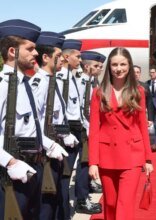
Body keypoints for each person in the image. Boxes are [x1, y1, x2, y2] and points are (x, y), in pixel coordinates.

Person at [0, 19, 68, 219]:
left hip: (33, 169)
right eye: (30, 49)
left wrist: (49, 145)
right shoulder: (3, 87)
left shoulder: (27, 85)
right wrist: (10, 162)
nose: (36, 53)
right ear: (12, 51)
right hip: (12, 173)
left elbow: (33, 126)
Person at [88, 47, 154, 220]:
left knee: (124, 204)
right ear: (109, 67)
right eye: (115, 64)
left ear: (129, 66)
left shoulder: (138, 91)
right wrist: (92, 162)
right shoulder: (98, 93)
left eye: (123, 64)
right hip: (106, 156)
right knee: (110, 203)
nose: (119, 68)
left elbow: (142, 126)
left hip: (132, 155)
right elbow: (94, 129)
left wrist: (148, 158)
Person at [32, 31, 80, 220]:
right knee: (46, 204)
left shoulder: (52, 82)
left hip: (57, 148)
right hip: (46, 151)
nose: (63, 60)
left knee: (57, 199)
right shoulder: (40, 84)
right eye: (58, 56)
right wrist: (49, 145)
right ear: (46, 57)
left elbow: (58, 117)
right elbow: (36, 121)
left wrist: (66, 135)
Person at [56, 39, 101, 217]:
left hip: (80, 128)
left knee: (84, 164)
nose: (80, 60)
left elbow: (81, 109)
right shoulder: (64, 80)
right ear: (66, 57)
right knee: (66, 174)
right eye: (77, 56)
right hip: (67, 132)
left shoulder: (74, 79)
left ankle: (78, 200)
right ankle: (65, 206)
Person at [78, 50, 106, 194]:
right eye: (97, 66)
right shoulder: (81, 82)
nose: (100, 69)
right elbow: (81, 107)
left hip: (94, 127)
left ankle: (89, 185)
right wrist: (89, 127)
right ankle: (82, 195)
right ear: (86, 66)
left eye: (101, 66)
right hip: (86, 127)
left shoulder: (94, 82)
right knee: (85, 161)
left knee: (92, 160)